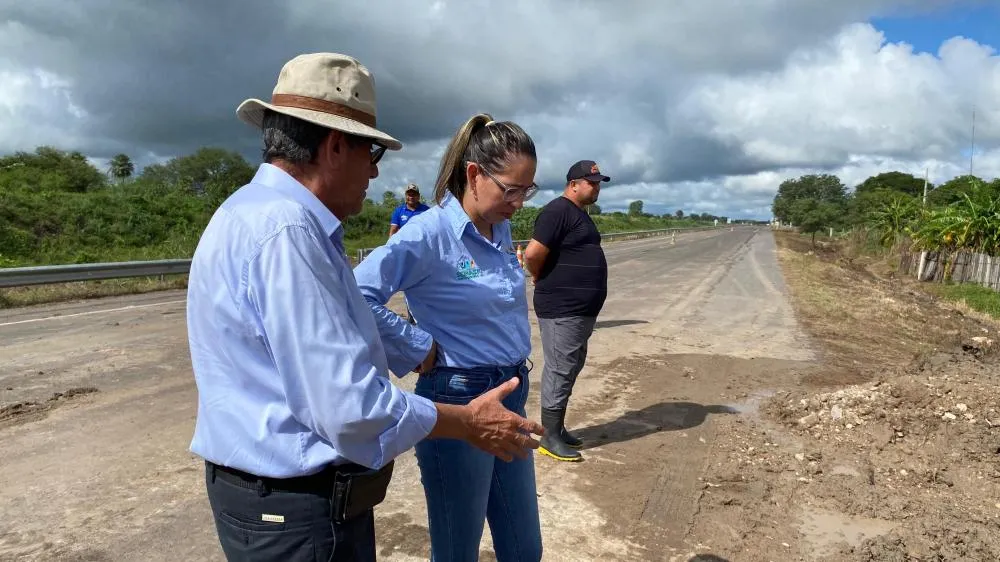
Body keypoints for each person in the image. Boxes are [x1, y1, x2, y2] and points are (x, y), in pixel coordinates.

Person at [185, 53, 543, 562]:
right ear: (335, 145)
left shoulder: (252, 214)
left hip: (279, 497)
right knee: (458, 542)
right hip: (294, 505)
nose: (375, 173)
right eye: (372, 154)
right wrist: (445, 389)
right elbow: (351, 407)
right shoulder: (288, 234)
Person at [353, 113, 543, 561]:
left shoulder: (499, 227)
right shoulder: (429, 233)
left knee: (523, 548)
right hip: (460, 396)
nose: (519, 202)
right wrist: (417, 346)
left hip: (510, 390)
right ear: (474, 175)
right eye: (511, 189)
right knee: (458, 549)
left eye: (527, 190)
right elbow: (356, 294)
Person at [523, 160, 611, 462]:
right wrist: (538, 276)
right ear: (573, 183)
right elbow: (533, 254)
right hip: (562, 308)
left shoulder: (579, 214)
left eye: (599, 182)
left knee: (570, 367)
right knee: (560, 369)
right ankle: (548, 437)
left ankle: (557, 429)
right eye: (592, 182)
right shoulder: (557, 211)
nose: (597, 187)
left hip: (580, 310)